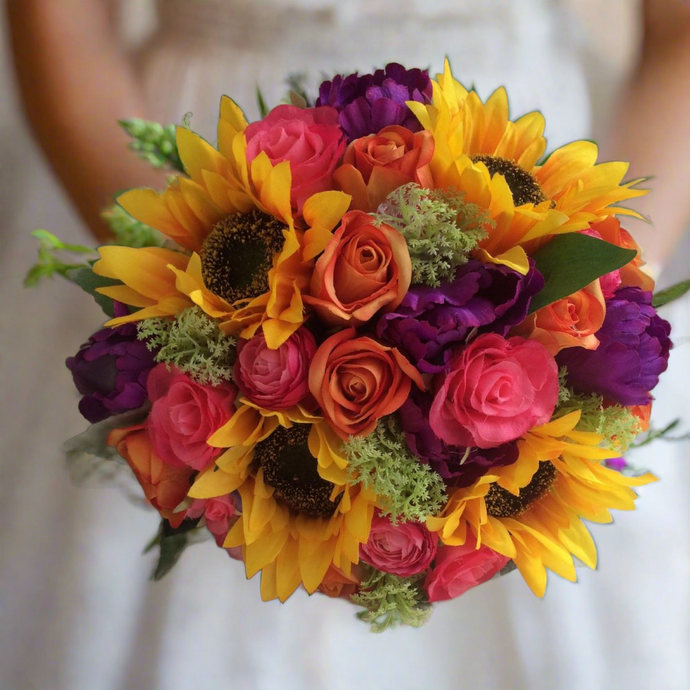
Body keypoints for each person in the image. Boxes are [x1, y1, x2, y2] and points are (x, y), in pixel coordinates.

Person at [1, 1, 688, 689]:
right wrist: (182, 308)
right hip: (198, 175)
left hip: (527, 184)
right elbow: (64, 30)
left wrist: (607, 289)